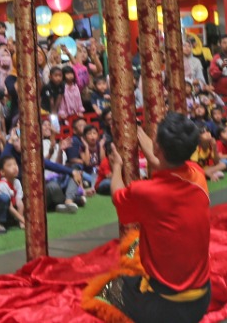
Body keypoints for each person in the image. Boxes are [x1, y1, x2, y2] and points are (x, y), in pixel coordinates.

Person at [82, 114, 212, 323]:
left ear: (158, 147)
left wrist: (116, 168)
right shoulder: (197, 174)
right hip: (203, 297)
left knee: (104, 292)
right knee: (135, 245)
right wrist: (138, 130)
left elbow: (117, 197)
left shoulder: (148, 192)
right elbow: (159, 162)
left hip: (167, 307)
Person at [0, 155, 26, 234]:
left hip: (10, 212)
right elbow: (9, 206)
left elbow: (19, 202)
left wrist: (21, 222)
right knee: (4, 198)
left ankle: (15, 221)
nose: (14, 167)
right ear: (2, 172)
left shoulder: (17, 182)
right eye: (10, 165)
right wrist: (23, 219)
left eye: (15, 164)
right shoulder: (1, 185)